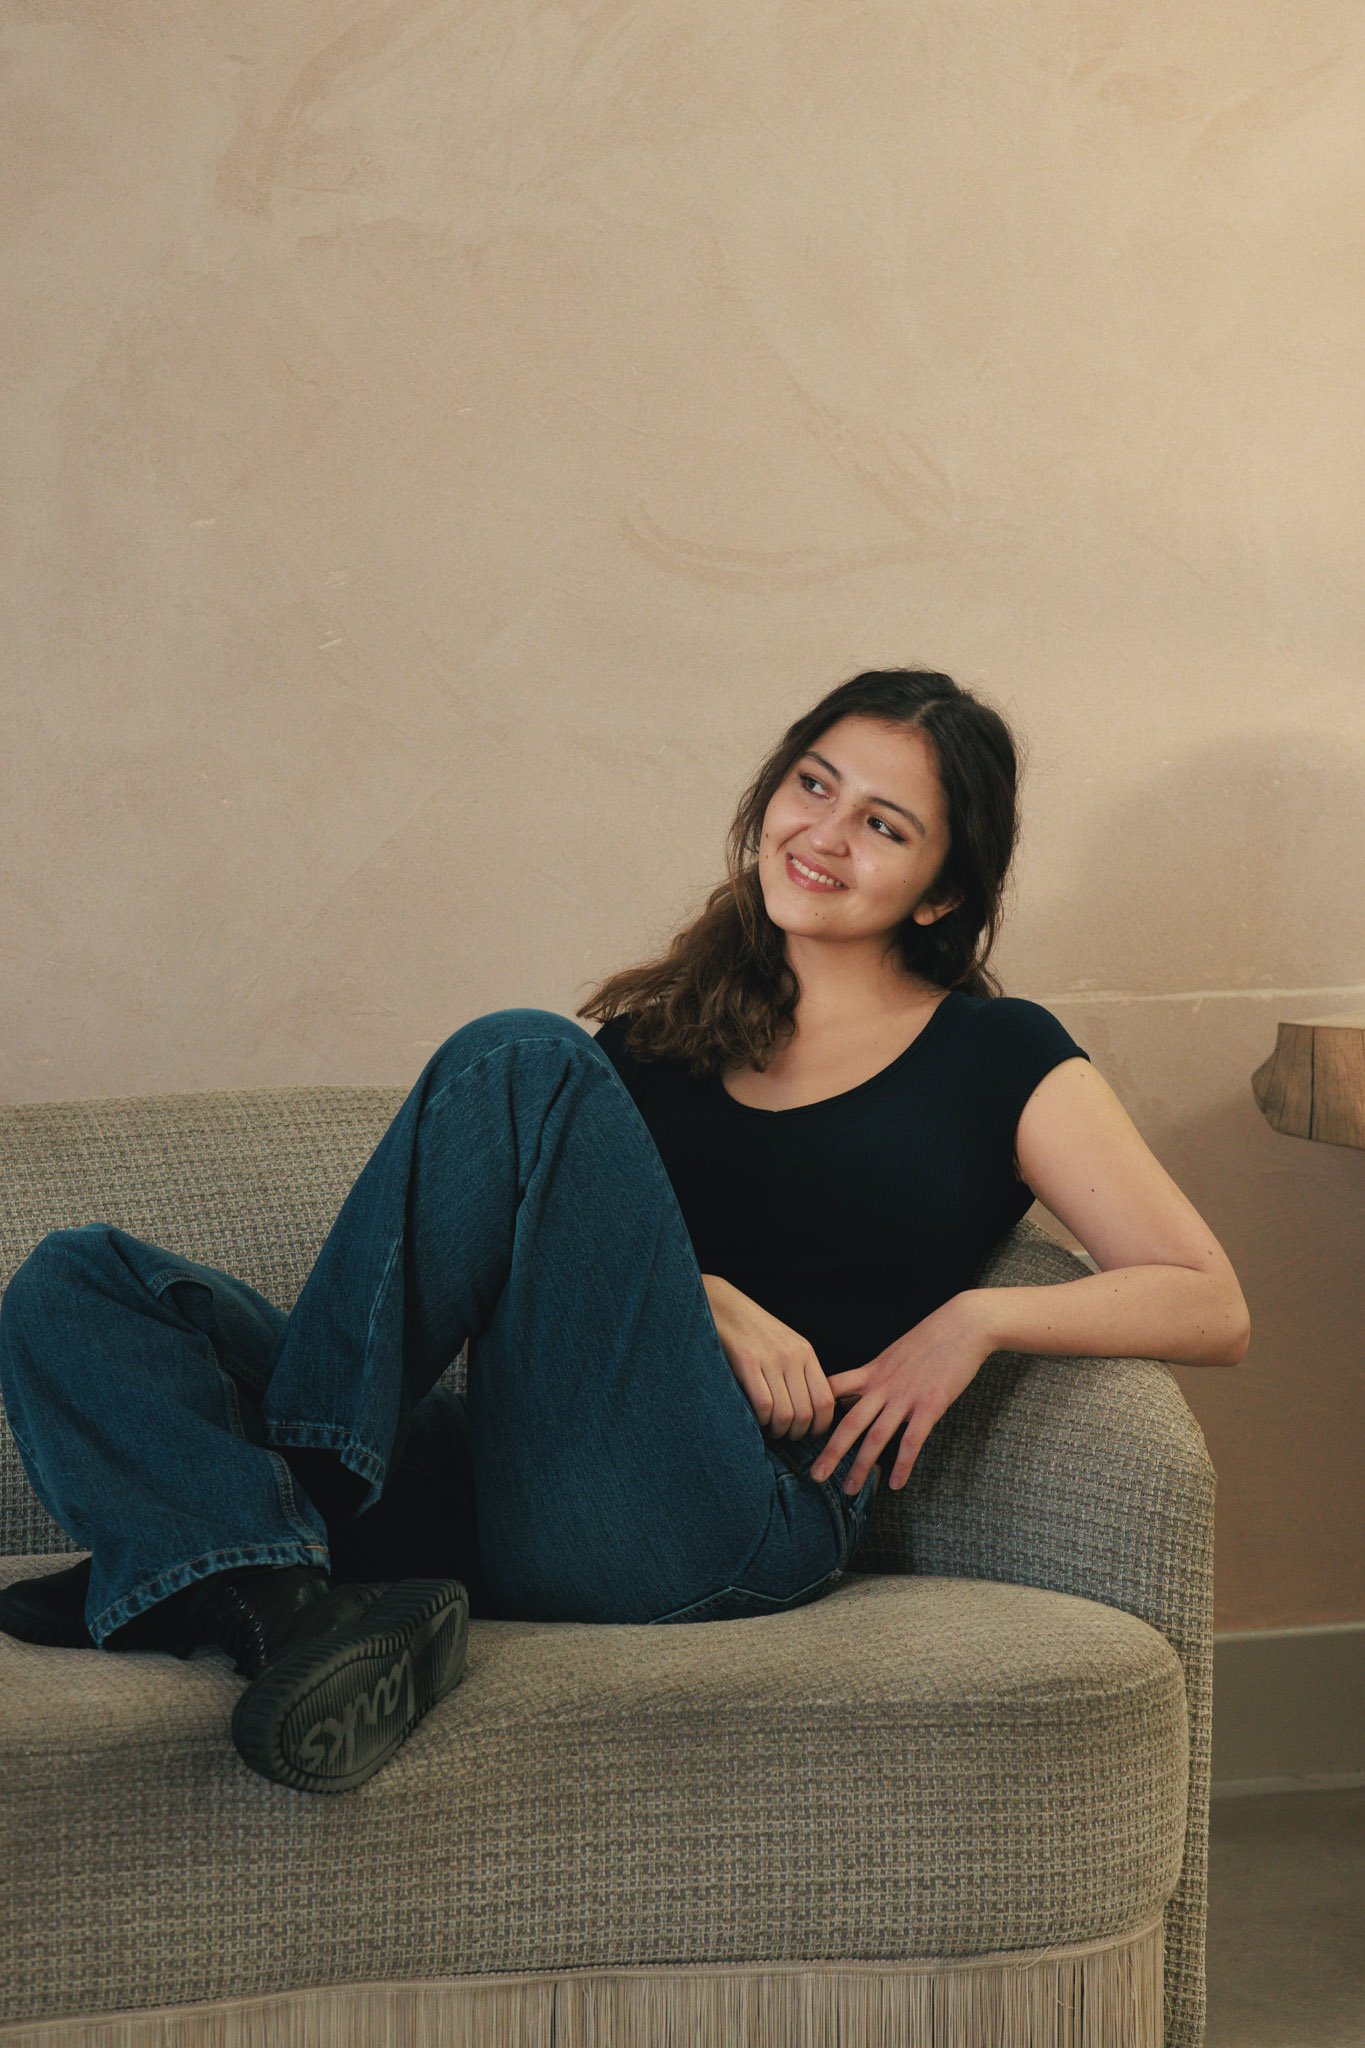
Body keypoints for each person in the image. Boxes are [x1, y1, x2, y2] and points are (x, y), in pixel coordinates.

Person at [0, 667, 1251, 1795]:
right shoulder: (660, 1038)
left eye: (884, 824)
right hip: (513, 1488)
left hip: (729, 1508)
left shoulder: (998, 1052)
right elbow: (577, 1275)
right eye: (814, 784)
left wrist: (975, 1320)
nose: (824, 832)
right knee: (79, 1280)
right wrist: (707, 1292)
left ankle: (233, 1536)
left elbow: (1208, 1296)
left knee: (521, 1054)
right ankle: (279, 1594)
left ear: (946, 890)